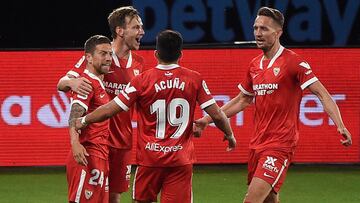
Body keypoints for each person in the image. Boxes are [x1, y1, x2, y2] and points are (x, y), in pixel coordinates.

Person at [193, 7, 352, 203]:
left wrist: (340, 125)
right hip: (257, 144)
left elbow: (322, 94)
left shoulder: (293, 62)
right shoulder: (254, 65)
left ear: (278, 33)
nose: (258, 33)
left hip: (280, 145)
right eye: (255, 28)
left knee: (251, 201)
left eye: (264, 29)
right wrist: (206, 120)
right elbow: (243, 100)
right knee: (269, 200)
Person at [71, 30, 237, 203]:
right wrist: (229, 134)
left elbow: (111, 109)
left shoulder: (142, 80)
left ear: (156, 54)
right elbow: (217, 115)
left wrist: (84, 120)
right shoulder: (194, 79)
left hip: (150, 160)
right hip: (180, 161)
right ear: (181, 54)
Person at [57, 6, 145, 203]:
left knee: (113, 196)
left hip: (122, 143)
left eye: (141, 27)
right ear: (120, 31)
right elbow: (62, 83)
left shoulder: (139, 64)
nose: (142, 32)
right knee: (90, 196)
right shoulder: (99, 57)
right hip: (95, 142)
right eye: (136, 27)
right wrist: (73, 82)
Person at [67, 35, 112, 203]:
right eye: (102, 53)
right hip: (87, 154)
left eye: (109, 54)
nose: (108, 58)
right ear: (88, 57)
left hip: (100, 154)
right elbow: (75, 114)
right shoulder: (86, 83)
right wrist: (75, 143)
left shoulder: (98, 82)